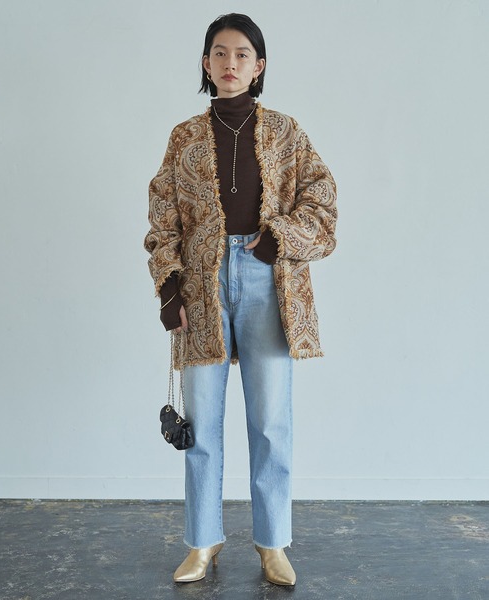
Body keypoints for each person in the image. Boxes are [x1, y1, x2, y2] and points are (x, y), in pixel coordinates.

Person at [144, 13, 337, 586]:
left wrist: (279, 237)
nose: (231, 63)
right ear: (206, 64)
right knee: (202, 422)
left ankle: (272, 543)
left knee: (271, 420)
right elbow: (163, 216)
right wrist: (169, 285)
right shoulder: (183, 137)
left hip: (266, 280)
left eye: (243, 54)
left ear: (259, 67)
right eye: (220, 53)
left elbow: (323, 202)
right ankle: (202, 541)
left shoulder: (286, 131)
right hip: (201, 284)